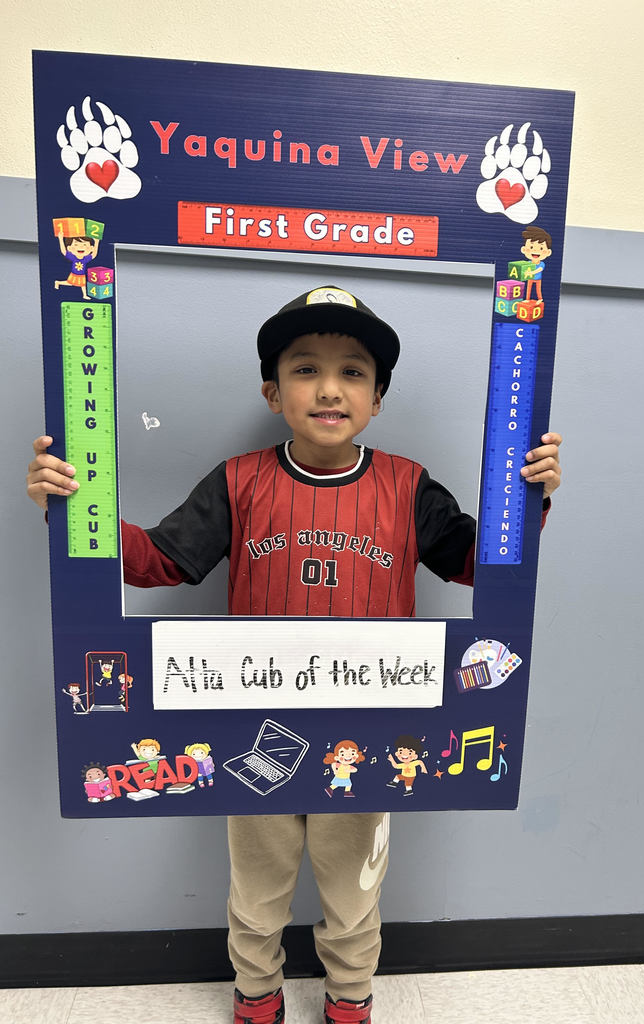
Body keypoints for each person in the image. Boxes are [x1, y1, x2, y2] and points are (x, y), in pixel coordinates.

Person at [26, 285, 562, 1024]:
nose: (330, 388)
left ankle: (349, 997)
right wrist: (74, 508)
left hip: (370, 731)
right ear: (273, 392)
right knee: (257, 890)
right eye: (306, 369)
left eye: (353, 372)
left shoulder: (407, 486)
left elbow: (479, 564)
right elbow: (158, 561)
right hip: (254, 730)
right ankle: (257, 993)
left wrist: (527, 501)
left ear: (377, 398)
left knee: (354, 891)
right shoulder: (238, 481)